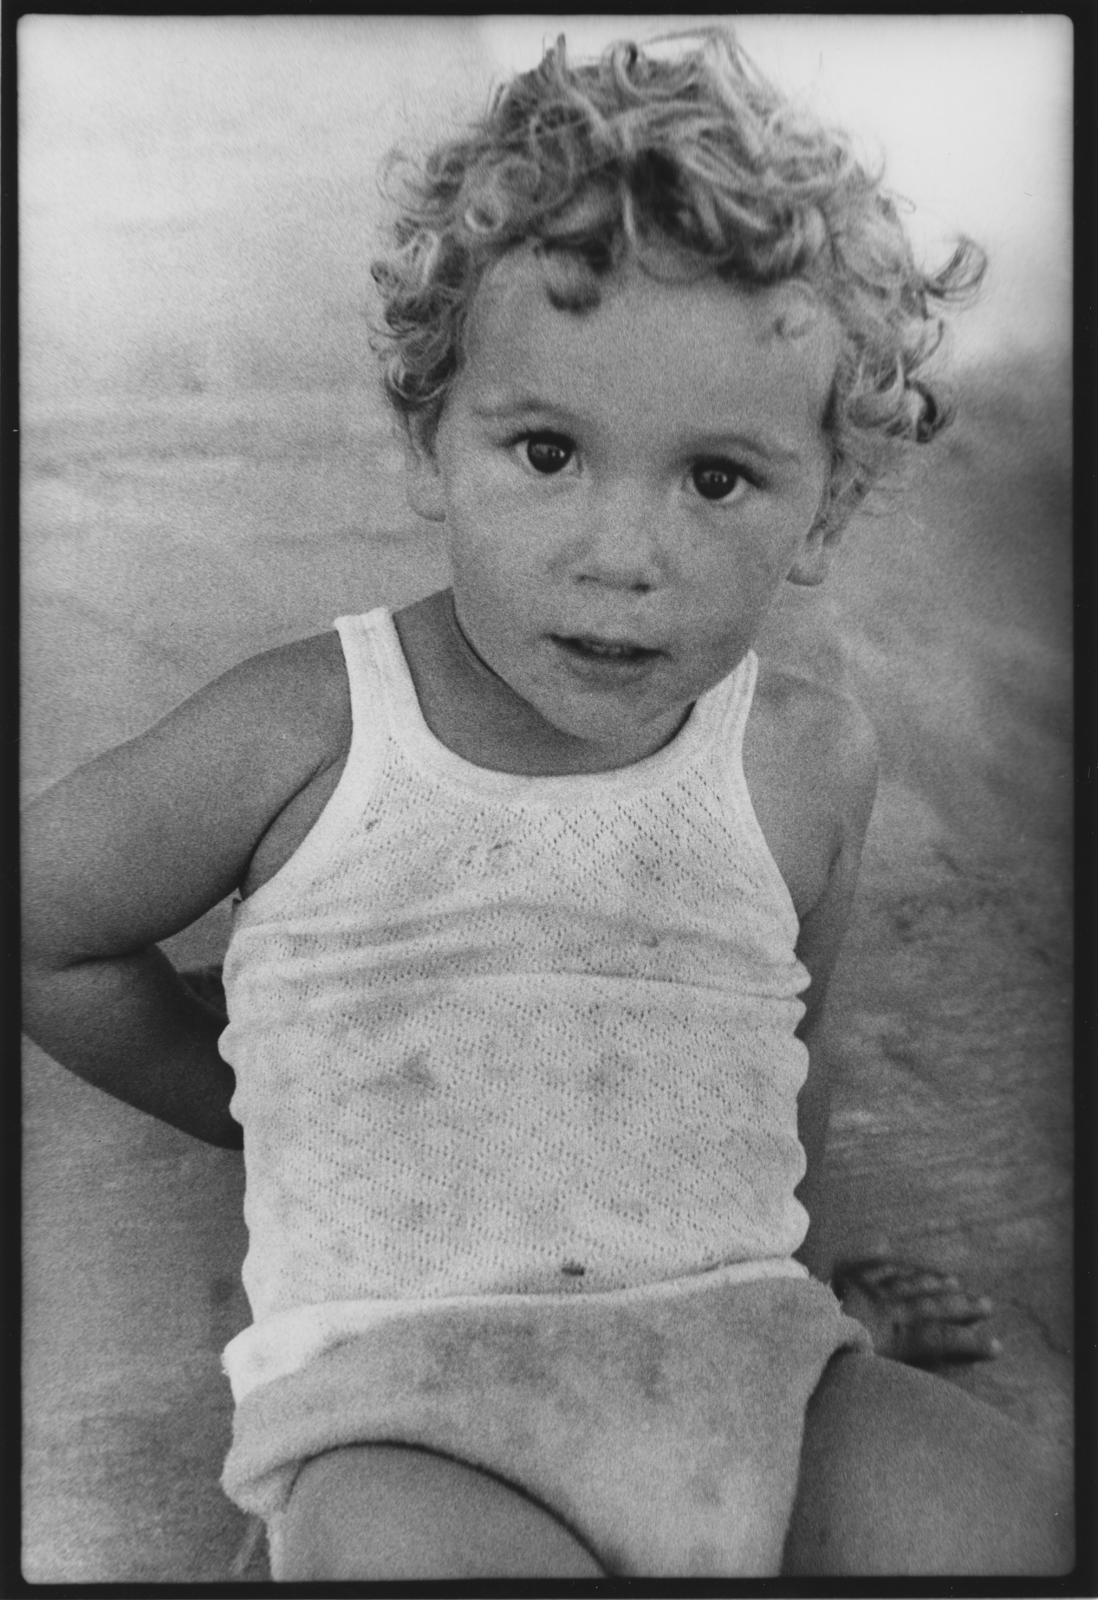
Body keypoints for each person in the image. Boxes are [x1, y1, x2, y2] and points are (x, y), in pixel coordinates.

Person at [21, 29, 1070, 1577]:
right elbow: (47, 922)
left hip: (748, 1364)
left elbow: (793, 1038)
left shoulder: (803, 761)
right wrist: (256, 1102)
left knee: (1015, 1522)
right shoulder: (313, 727)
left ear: (825, 504)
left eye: (715, 478)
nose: (618, 552)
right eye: (546, 451)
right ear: (430, 439)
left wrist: (808, 1285)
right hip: (409, 1411)